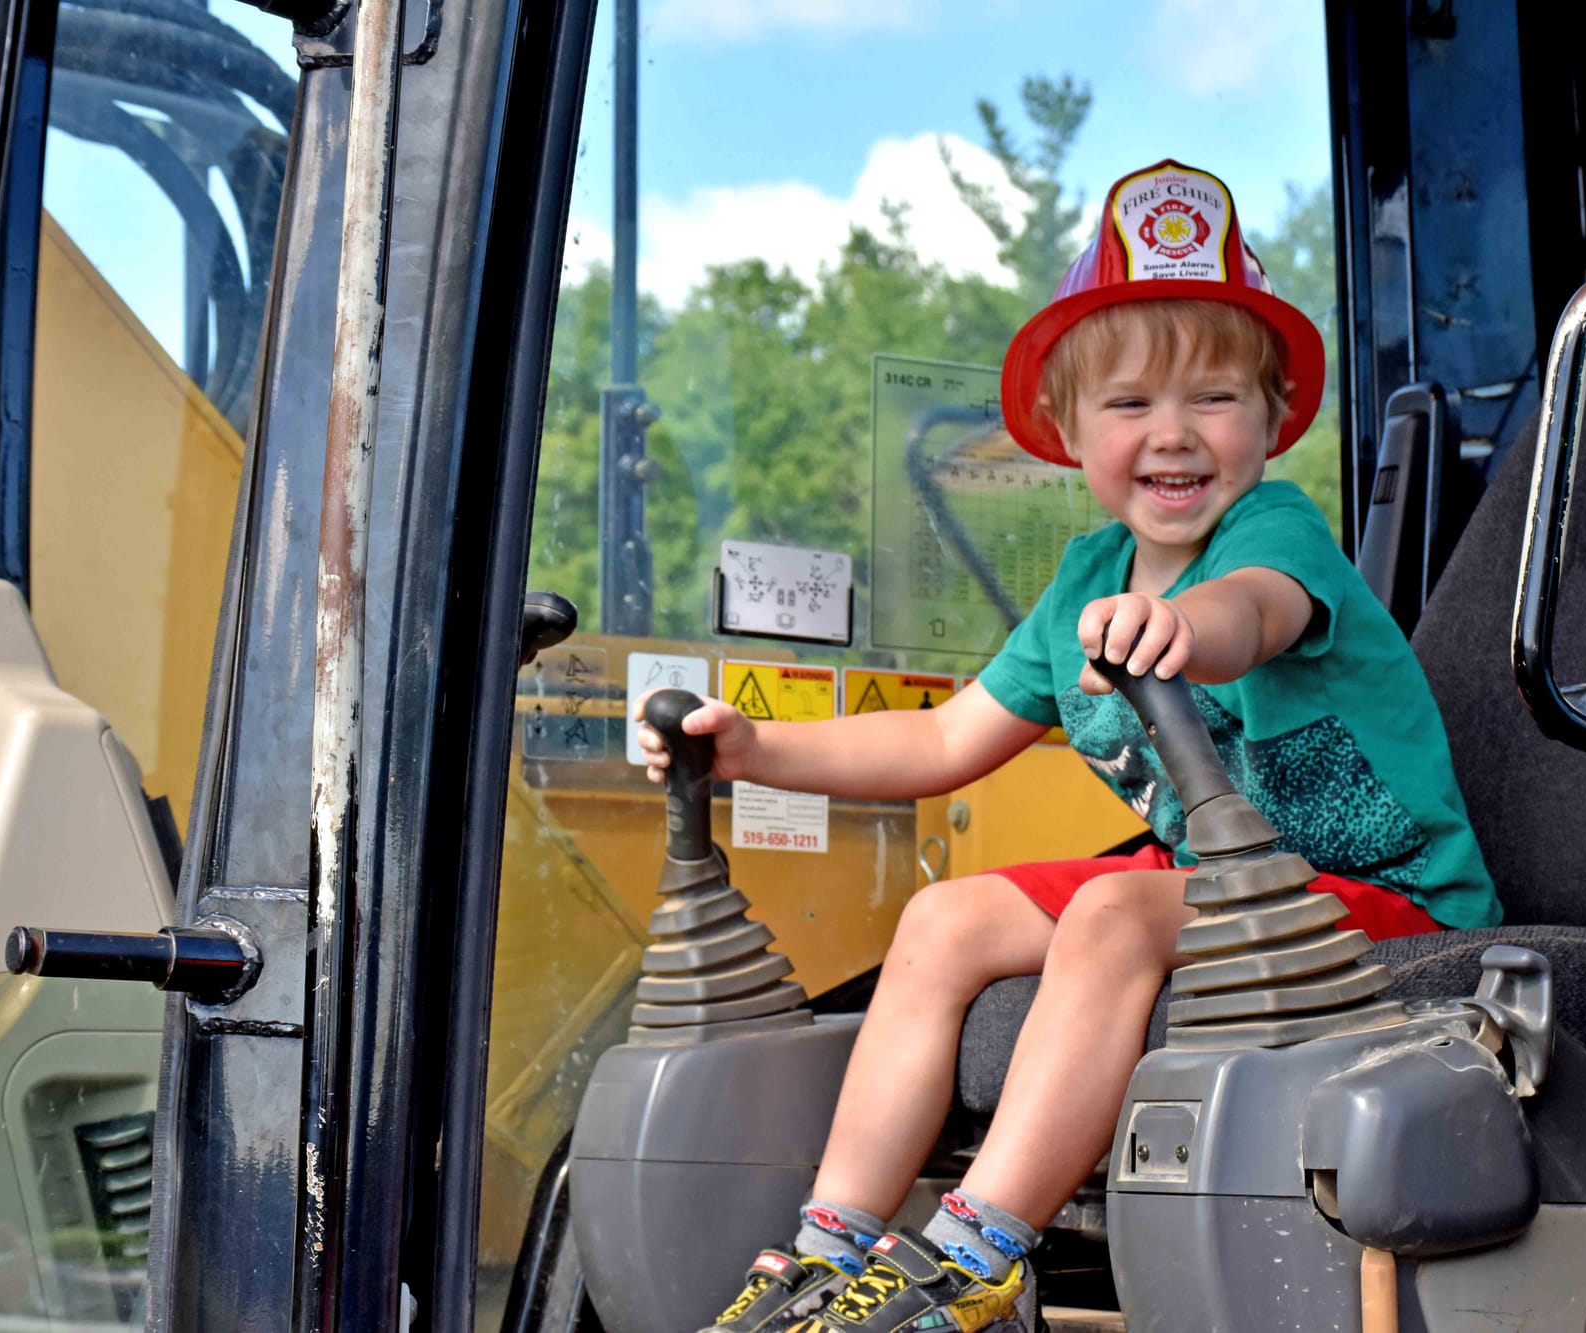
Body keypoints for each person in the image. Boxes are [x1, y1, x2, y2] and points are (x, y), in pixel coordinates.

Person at [642, 159, 1500, 1333]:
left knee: (1106, 914)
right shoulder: (1081, 582)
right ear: (1065, 428)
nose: (1174, 433)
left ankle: (974, 1260)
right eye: (1131, 403)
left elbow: (1253, 610)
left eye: (1213, 399)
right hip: (1220, 893)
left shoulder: (1272, 531)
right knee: (943, 917)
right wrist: (754, 750)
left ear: (1268, 418)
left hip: (1379, 901)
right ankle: (826, 1255)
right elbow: (943, 738)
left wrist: (1181, 629)